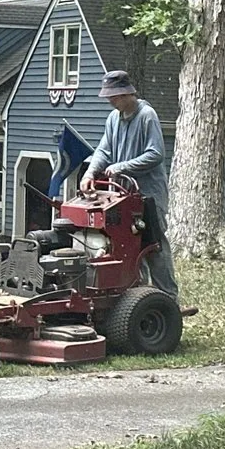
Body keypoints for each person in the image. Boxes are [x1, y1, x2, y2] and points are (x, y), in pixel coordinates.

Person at [79, 70, 180, 302]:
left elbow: (155, 154)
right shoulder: (113, 119)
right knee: (127, 244)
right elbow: (103, 151)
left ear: (126, 93)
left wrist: (122, 166)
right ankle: (138, 296)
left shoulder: (147, 115)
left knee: (153, 245)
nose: (110, 101)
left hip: (149, 195)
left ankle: (168, 298)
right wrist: (90, 172)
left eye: (113, 96)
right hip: (123, 195)